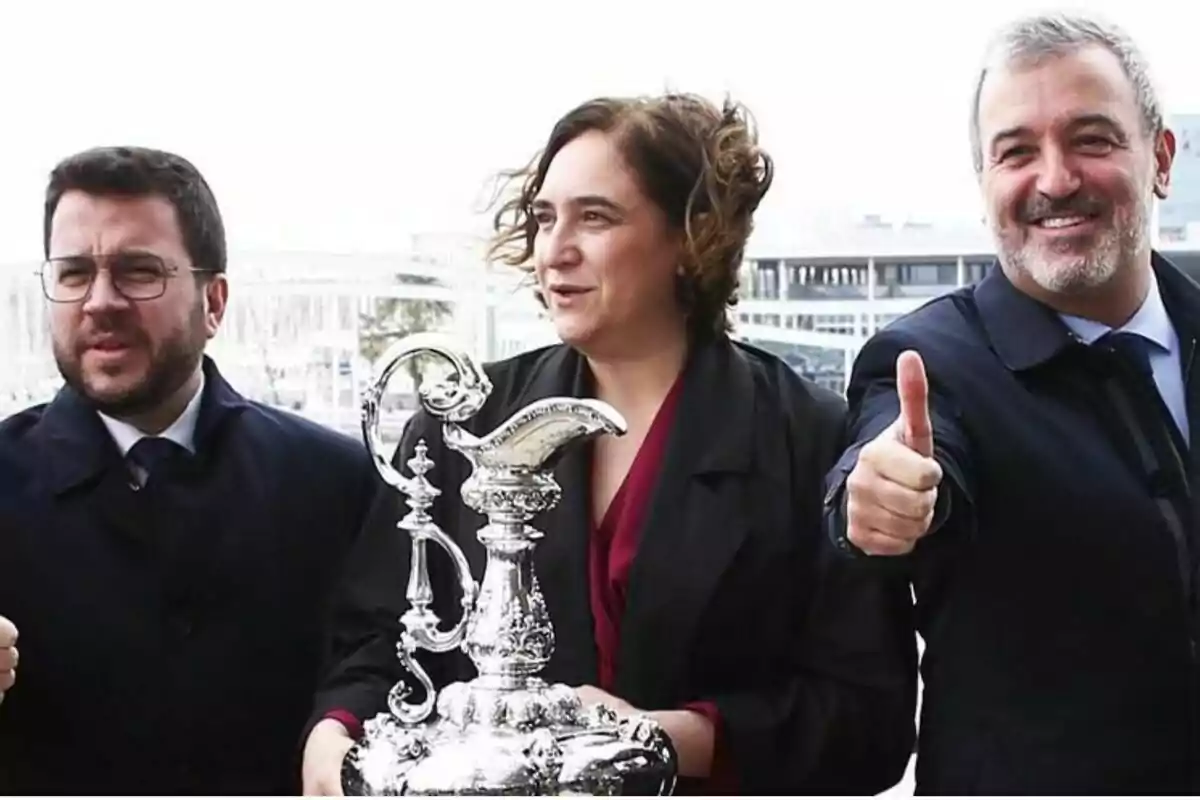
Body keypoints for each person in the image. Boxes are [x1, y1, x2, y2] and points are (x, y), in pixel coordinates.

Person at [301, 93, 917, 795]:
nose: (554, 251)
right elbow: (381, 639)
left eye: (594, 217)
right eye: (543, 219)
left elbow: (870, 720)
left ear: (693, 235)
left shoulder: (807, 437)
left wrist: (667, 737)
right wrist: (334, 734)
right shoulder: (455, 424)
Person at [825, 11, 1200, 795]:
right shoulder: (932, 365)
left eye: (1091, 139)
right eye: (1017, 151)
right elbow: (892, 463)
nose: (1055, 179)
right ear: (985, 181)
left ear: (1160, 159)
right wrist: (880, 497)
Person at [0, 146, 379, 794]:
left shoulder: (338, 483)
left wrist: (347, 721)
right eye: (72, 274)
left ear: (215, 301)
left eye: (138, 271)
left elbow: (386, 659)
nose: (100, 301)